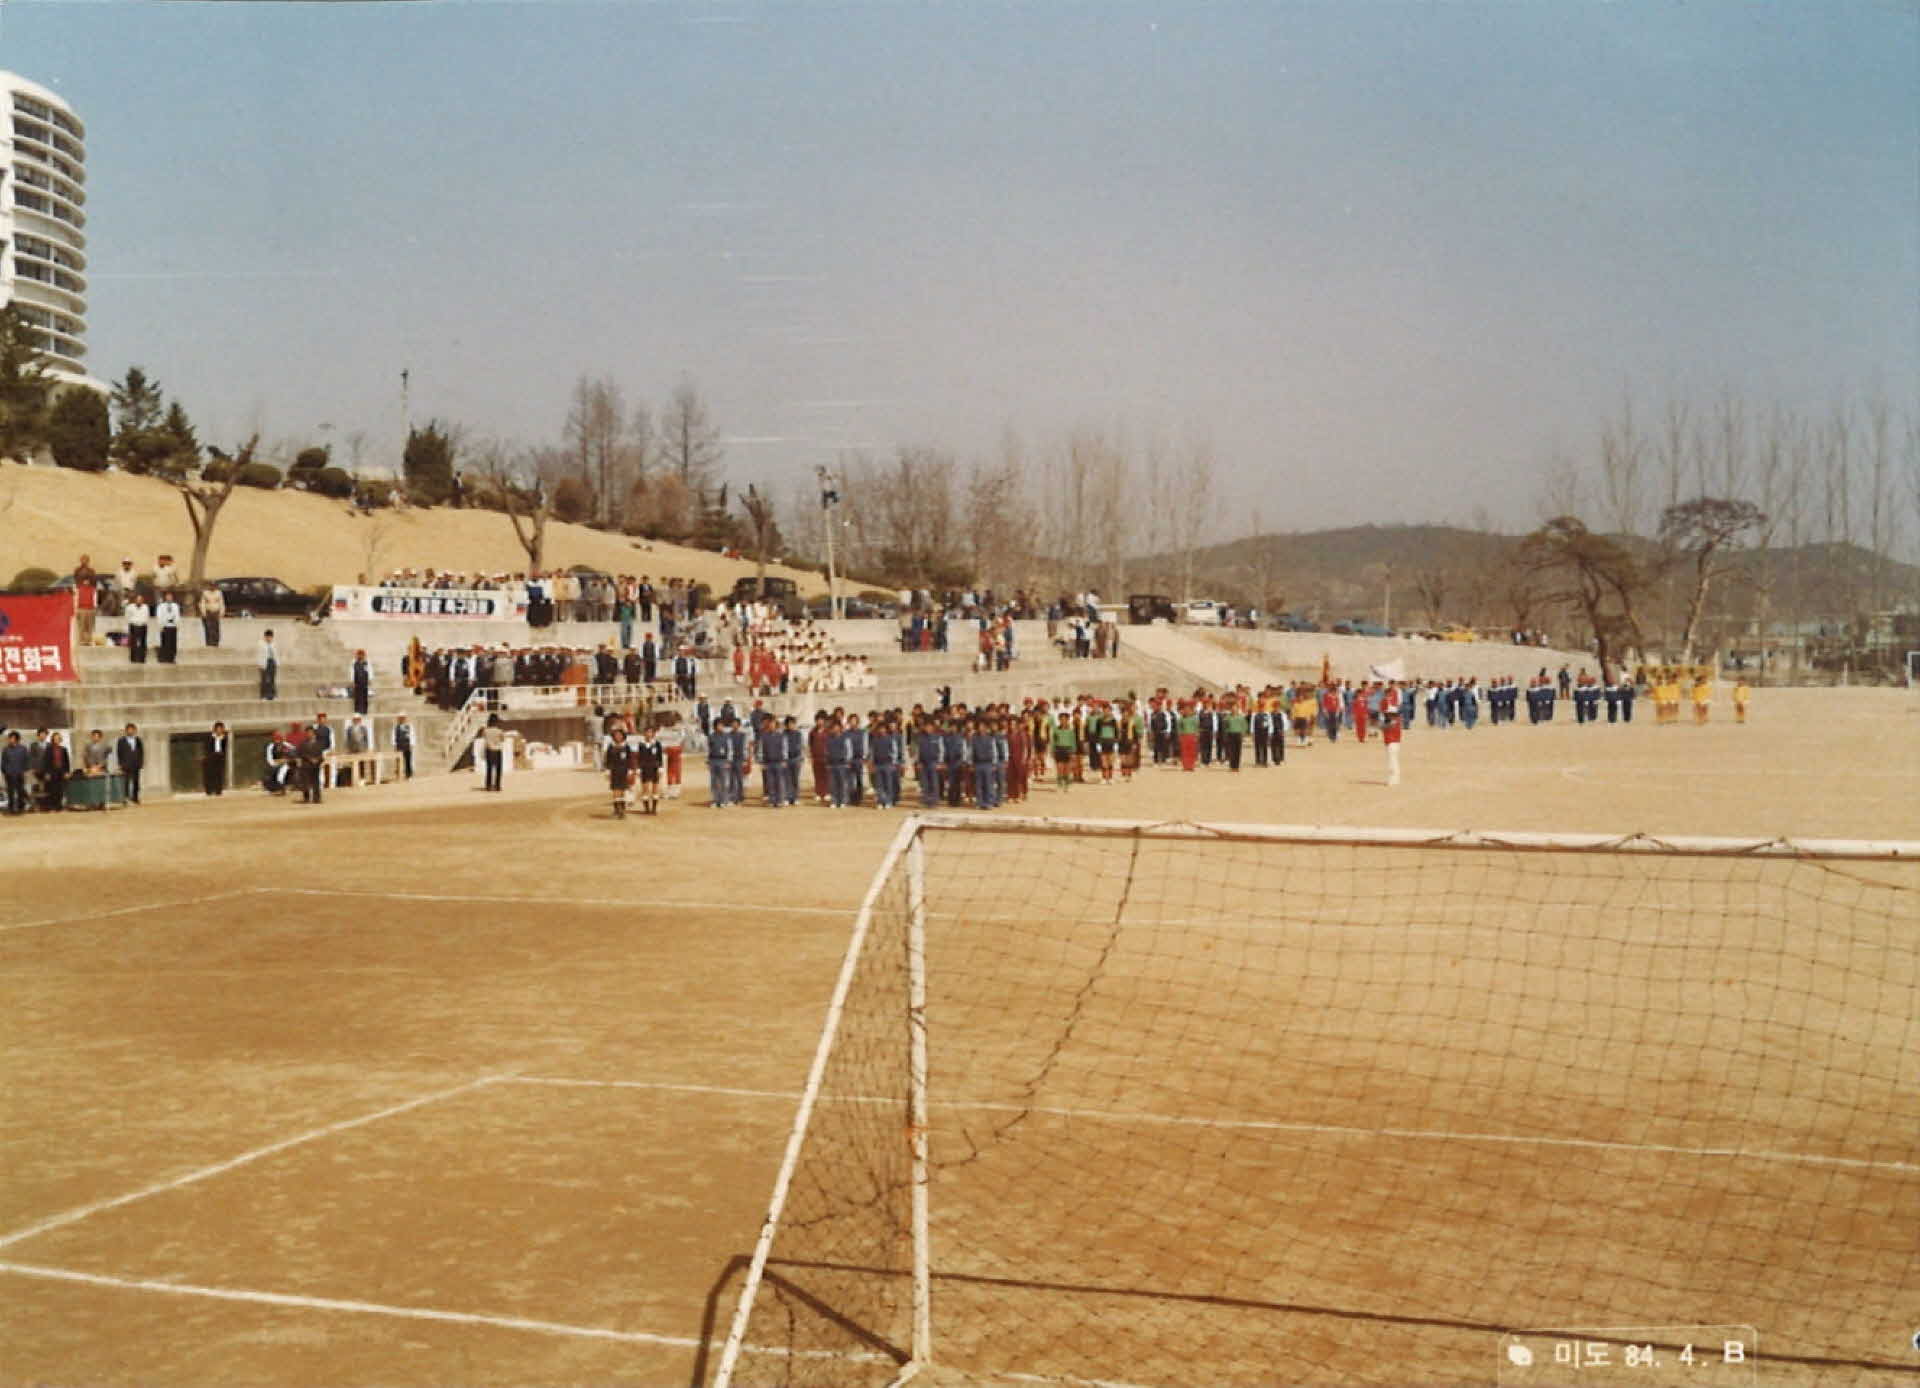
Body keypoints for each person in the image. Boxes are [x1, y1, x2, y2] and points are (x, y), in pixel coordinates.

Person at [605, 725, 637, 818]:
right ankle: (616, 810)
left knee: (623, 790)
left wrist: (630, 770)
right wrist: (608, 770)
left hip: (624, 771)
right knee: (616, 791)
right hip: (614, 771)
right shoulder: (611, 747)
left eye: (620, 735)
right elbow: (608, 760)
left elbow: (630, 759)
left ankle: (622, 810)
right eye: (616, 735)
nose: (618, 737)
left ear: (623, 736)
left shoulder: (626, 747)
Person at [633, 723, 665, 814]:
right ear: (644, 734)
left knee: (655, 788)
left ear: (653, 733)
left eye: (650, 732)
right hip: (645, 768)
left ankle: (654, 808)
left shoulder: (657, 744)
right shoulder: (641, 745)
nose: (649, 734)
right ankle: (646, 808)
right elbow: (639, 757)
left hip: (654, 767)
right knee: (645, 788)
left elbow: (660, 757)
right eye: (647, 732)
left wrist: (660, 767)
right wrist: (638, 768)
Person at [114, 723, 146, 805]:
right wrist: (120, 764)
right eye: (129, 730)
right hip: (125, 764)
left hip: (136, 764)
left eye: (132, 730)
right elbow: (119, 753)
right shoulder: (121, 740)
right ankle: (125, 798)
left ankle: (135, 798)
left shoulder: (138, 740)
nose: (130, 731)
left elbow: (141, 752)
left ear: (135, 731)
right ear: (126, 731)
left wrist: (141, 762)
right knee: (126, 782)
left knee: (136, 782)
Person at [297, 726, 326, 803]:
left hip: (316, 766)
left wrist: (318, 760)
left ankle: (317, 798)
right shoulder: (303, 744)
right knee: (305, 783)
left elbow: (321, 755)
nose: (309, 734)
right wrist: (310, 759)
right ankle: (306, 798)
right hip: (306, 765)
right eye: (307, 733)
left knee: (316, 782)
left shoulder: (319, 744)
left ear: (313, 733)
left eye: (310, 732)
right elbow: (301, 754)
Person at [2, 731, 29, 814]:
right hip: (9, 774)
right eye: (10, 738)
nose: (11, 739)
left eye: (13, 738)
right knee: (10, 792)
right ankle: (11, 808)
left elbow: (26, 761)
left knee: (20, 791)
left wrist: (25, 771)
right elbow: (3, 762)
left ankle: (21, 807)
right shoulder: (6, 749)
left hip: (20, 773)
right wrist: (5, 771)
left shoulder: (23, 749)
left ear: (17, 739)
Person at [74, 556, 98, 646]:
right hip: (81, 607)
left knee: (90, 626)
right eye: (83, 560)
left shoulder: (91, 571)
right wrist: (76, 608)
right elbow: (75, 580)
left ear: (88, 561)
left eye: (86, 560)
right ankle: (81, 640)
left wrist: (95, 608)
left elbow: (95, 597)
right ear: (80, 560)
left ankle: (88, 640)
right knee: (81, 626)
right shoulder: (77, 571)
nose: (84, 561)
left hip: (90, 608)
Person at [154, 591, 182, 664]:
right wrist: (160, 625)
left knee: (173, 643)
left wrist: (177, 624)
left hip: (173, 626)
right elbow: (159, 616)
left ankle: (172, 658)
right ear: (165, 597)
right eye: (168, 596)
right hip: (165, 626)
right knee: (165, 642)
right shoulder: (161, 606)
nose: (169, 598)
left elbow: (177, 615)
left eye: (170, 597)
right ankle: (165, 658)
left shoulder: (175, 606)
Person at [203, 721, 230, 795]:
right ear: (215, 729)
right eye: (218, 729)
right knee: (210, 775)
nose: (219, 731)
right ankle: (209, 791)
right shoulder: (210, 737)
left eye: (221, 729)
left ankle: (218, 790)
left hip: (219, 758)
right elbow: (207, 748)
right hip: (210, 757)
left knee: (219, 774)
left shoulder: (224, 738)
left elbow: (224, 748)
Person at [481, 714, 507, 791]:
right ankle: (497, 786)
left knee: (489, 769)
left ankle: (488, 786)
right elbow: (503, 739)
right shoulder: (500, 731)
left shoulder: (485, 731)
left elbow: (484, 737)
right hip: (498, 750)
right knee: (498, 769)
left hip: (489, 750)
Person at [124, 593, 151, 664]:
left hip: (143, 626)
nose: (139, 601)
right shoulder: (130, 607)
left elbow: (147, 616)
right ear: (135, 600)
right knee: (133, 643)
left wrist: (143, 623)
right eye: (138, 599)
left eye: (140, 600)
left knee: (143, 643)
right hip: (133, 626)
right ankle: (133, 658)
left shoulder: (145, 607)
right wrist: (131, 623)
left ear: (142, 600)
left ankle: (142, 659)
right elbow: (127, 616)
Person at [263, 729, 292, 794]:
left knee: (282, 771)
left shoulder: (286, 745)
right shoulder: (271, 746)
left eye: (279, 739)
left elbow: (293, 751)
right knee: (271, 774)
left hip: (287, 764)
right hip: (275, 765)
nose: (277, 741)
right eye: (276, 739)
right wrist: (276, 763)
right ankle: (276, 787)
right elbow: (269, 759)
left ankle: (282, 787)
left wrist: (287, 760)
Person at [200, 581, 224, 647]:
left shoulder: (219, 593)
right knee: (208, 628)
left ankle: (215, 643)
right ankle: (209, 643)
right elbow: (202, 603)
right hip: (208, 612)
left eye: (213, 585)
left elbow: (221, 603)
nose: (212, 587)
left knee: (216, 627)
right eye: (211, 585)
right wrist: (203, 612)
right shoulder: (205, 593)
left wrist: (222, 612)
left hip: (216, 612)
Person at [350, 649, 373, 716]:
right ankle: (357, 711)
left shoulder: (367, 663)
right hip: (357, 682)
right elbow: (352, 672)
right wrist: (352, 681)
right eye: (359, 654)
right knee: (357, 697)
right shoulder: (354, 663)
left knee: (364, 697)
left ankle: (364, 711)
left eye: (362, 654)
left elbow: (370, 671)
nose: (360, 656)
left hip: (364, 682)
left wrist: (370, 679)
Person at [392, 713, 415, 779]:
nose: (402, 719)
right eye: (400, 718)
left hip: (407, 745)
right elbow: (393, 736)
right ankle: (398, 774)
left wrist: (412, 744)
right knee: (398, 761)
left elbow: (412, 735)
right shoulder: (396, 727)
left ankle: (408, 774)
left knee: (408, 760)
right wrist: (394, 744)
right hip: (399, 745)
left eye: (403, 718)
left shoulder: (409, 726)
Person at [258, 629, 279, 700]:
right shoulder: (261, 644)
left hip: (272, 662)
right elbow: (259, 655)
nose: (269, 638)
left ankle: (273, 695)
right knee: (264, 679)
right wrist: (260, 664)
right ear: (265, 637)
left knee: (272, 679)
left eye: (270, 637)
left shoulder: (274, 644)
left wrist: (277, 663)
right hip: (264, 662)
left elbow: (276, 654)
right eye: (268, 637)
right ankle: (264, 695)